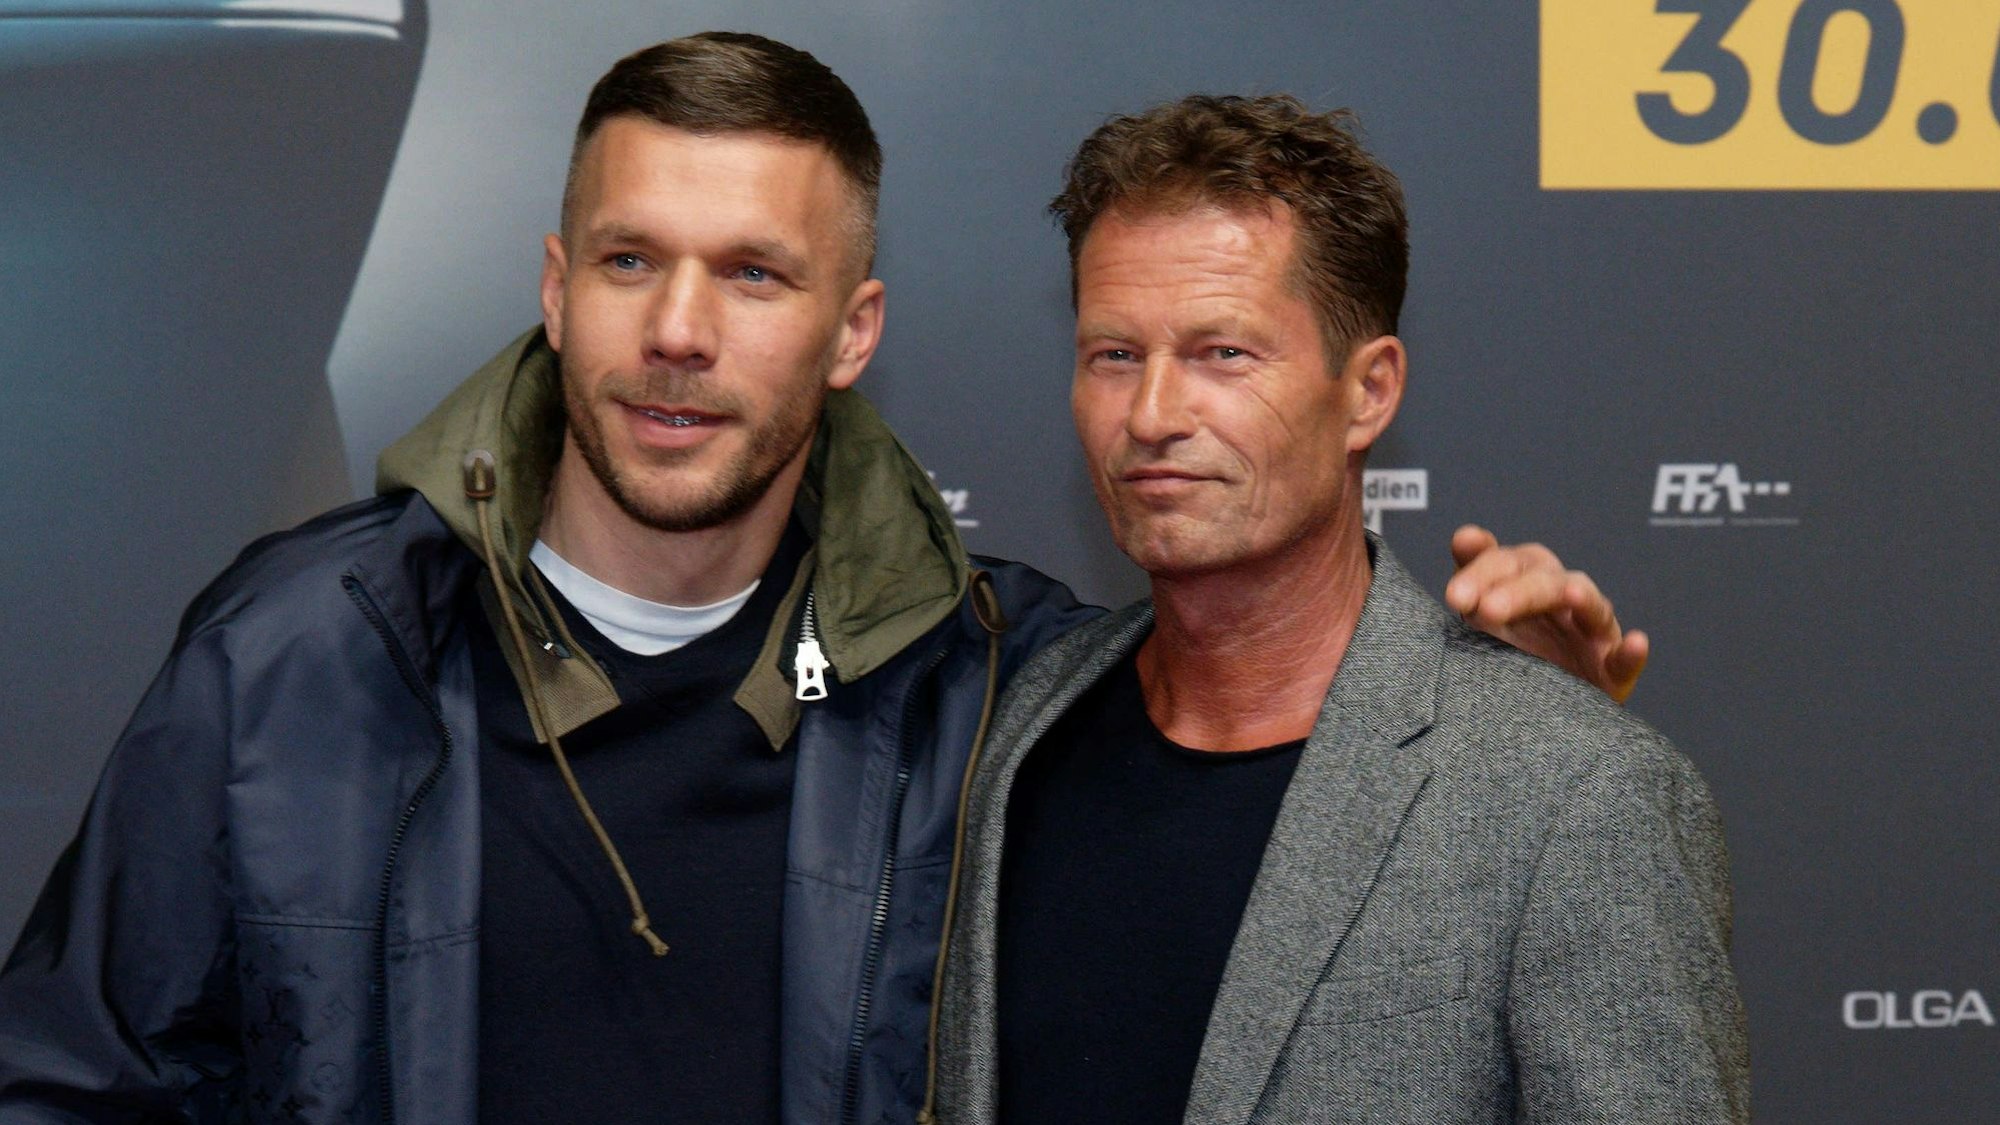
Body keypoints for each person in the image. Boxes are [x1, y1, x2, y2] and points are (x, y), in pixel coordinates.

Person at [0, 34, 1648, 1125]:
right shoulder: (295, 653)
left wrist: (1500, 743)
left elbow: (1296, 871)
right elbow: (66, 1085)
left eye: (757, 275)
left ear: (854, 330)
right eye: (633, 259)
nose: (679, 331)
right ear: (558, 289)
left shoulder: (1001, 684)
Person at [934, 95, 1749, 1124]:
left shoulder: (1572, 793)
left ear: (1367, 392)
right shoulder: (1006, 737)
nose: (1149, 416)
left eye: (1222, 353)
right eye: (1114, 355)